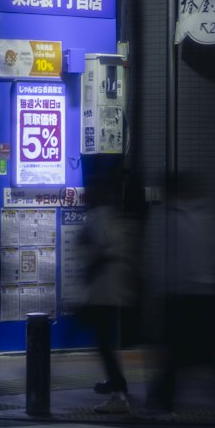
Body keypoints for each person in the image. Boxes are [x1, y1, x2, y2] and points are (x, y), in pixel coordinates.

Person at [144, 174, 215, 419]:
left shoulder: (166, 216)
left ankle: (160, 404)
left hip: (179, 296)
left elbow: (157, 258)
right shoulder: (209, 214)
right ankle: (162, 403)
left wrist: (156, 290)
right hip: (207, 295)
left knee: (174, 355)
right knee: (210, 357)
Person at [80, 163, 139, 414]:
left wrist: (91, 266)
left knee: (104, 344)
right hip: (112, 290)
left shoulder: (99, 218)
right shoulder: (113, 216)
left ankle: (118, 393)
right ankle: (118, 385)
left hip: (104, 291)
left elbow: (106, 251)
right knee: (105, 343)